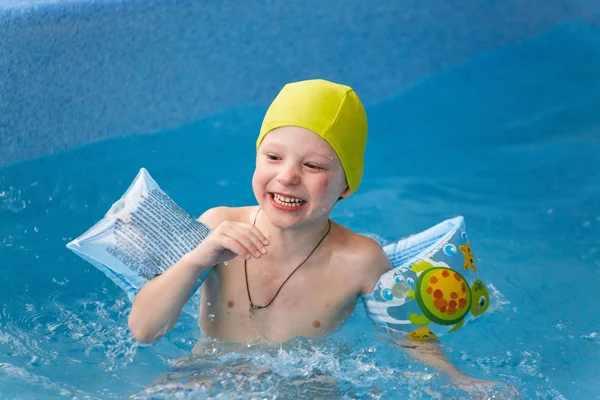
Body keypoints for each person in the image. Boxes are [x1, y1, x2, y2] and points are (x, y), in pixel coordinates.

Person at [128, 79, 494, 388]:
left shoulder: (360, 260)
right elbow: (144, 331)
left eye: (313, 165)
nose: (287, 176)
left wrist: (459, 380)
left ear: (346, 186)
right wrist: (198, 259)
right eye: (273, 157)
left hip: (304, 386)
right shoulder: (216, 226)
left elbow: (409, 337)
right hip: (205, 377)